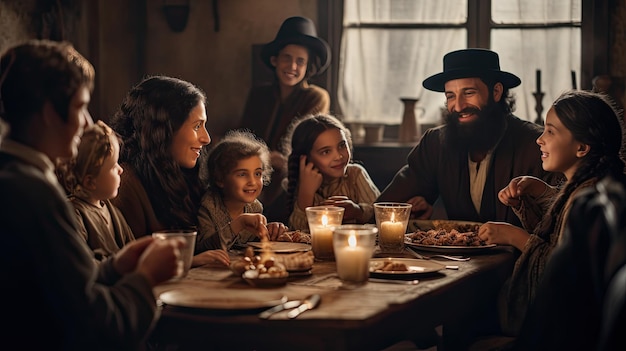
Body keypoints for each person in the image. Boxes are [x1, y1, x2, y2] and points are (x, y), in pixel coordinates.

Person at [0, 40, 183, 350]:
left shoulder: (15, 177)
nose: (86, 122)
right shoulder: (35, 194)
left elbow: (60, 288)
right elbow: (97, 326)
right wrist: (145, 279)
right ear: (48, 112)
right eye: (80, 106)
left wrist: (115, 268)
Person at [478, 90, 626, 336]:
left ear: (581, 148)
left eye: (550, 131)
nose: (540, 139)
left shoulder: (587, 199)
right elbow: (562, 230)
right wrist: (539, 190)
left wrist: (513, 236)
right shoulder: (594, 186)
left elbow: (562, 269)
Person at [377, 48, 558, 226]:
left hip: (520, 255)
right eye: (451, 96)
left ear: (496, 92)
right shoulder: (436, 143)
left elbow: (559, 226)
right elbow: (391, 205)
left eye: (469, 93)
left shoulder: (536, 145)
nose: (459, 106)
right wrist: (414, 208)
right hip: (450, 256)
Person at [110, 75, 269, 268]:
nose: (206, 138)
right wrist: (190, 262)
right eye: (197, 126)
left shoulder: (183, 174)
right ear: (165, 130)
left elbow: (204, 246)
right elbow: (129, 266)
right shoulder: (124, 182)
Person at [239, 16, 331, 223]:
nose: (292, 66)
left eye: (300, 61)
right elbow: (243, 135)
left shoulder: (316, 97)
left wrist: (279, 160)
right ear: (275, 60)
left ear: (308, 67)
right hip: (252, 171)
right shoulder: (258, 95)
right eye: (286, 58)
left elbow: (307, 144)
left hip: (290, 178)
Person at [282, 113, 380, 230]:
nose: (338, 156)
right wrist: (306, 192)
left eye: (342, 146)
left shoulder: (355, 174)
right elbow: (296, 231)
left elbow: (380, 213)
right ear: (306, 158)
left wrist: (357, 211)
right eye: (326, 152)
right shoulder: (298, 182)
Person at [197, 129, 288, 253]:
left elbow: (250, 244)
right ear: (220, 179)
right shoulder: (209, 207)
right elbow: (204, 249)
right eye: (242, 174)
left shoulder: (255, 207)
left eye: (257, 173)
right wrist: (238, 224)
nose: (252, 181)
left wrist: (270, 230)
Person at [56, 120, 135, 261]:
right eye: (113, 166)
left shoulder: (113, 211)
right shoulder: (75, 215)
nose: (120, 170)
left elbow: (133, 249)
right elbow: (81, 263)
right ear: (90, 182)